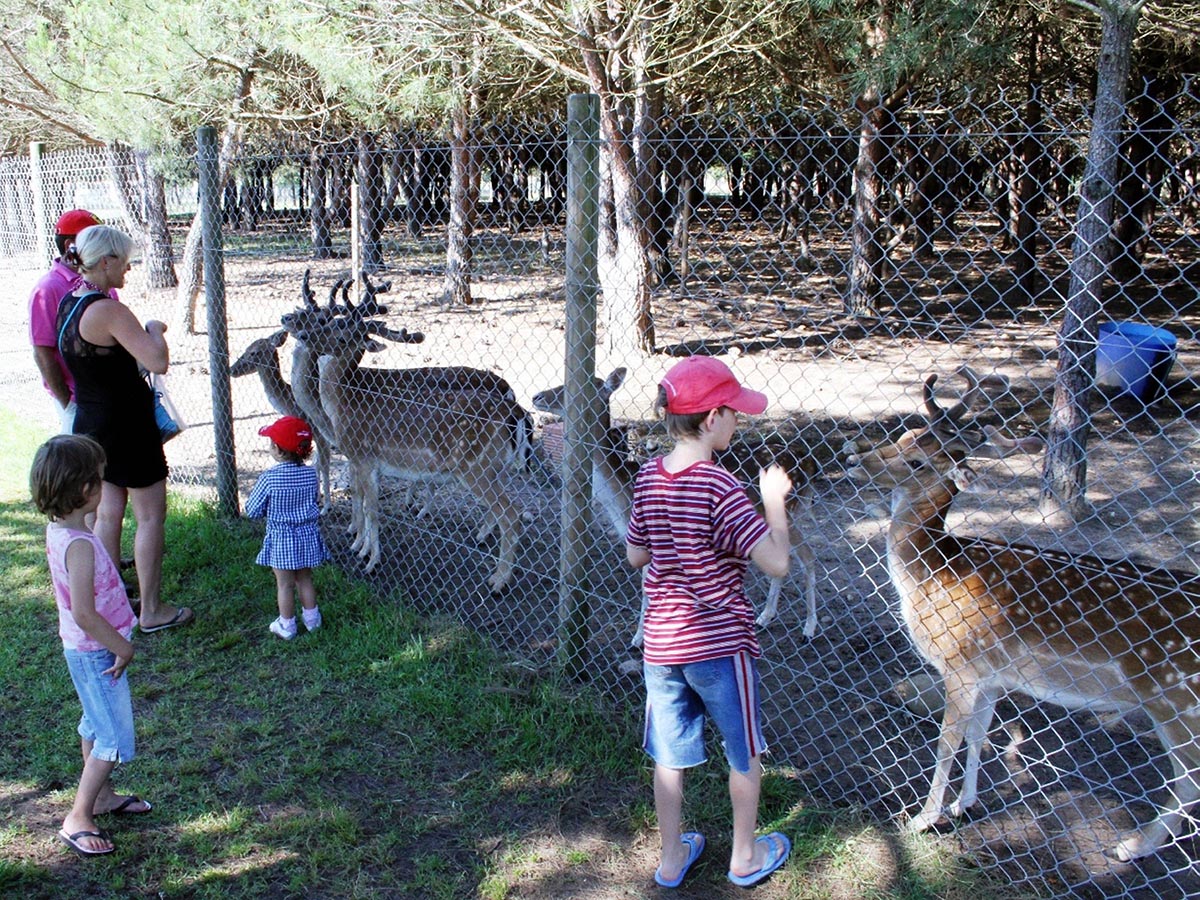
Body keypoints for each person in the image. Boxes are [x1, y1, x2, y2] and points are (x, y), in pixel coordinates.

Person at [625, 356, 794, 889]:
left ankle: (671, 858)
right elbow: (777, 563)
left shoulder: (649, 476)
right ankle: (744, 857)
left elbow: (635, 555)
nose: (738, 422)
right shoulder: (721, 488)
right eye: (735, 413)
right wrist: (772, 504)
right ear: (712, 417)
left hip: (662, 643)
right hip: (720, 642)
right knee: (743, 751)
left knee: (668, 755)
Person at [56, 224, 193, 634]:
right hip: (128, 427)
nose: (128, 271)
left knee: (108, 512)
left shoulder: (70, 302)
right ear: (106, 261)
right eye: (126, 262)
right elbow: (156, 361)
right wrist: (154, 329)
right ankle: (151, 610)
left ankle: (111, 600)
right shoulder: (110, 310)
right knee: (151, 517)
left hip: (91, 423)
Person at [30, 434, 153, 858]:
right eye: (100, 481)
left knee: (93, 722)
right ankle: (78, 816)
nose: (104, 487)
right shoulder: (79, 545)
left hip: (84, 651)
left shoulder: (63, 530)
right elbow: (84, 611)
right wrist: (123, 647)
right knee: (113, 737)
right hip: (97, 651)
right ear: (84, 491)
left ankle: (101, 798)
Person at [245, 415, 327, 640]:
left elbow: (252, 509)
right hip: (308, 535)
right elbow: (314, 500)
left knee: (285, 584)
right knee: (305, 579)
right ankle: (312, 620)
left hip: (282, 538)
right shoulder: (310, 474)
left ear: (278, 450)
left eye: (271, 443)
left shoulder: (270, 478)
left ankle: (287, 625)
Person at [28, 209, 105, 433]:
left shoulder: (100, 278)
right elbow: (42, 352)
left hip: (105, 395)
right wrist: (67, 403)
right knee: (82, 464)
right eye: (94, 239)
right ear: (71, 245)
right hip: (78, 401)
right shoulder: (48, 289)